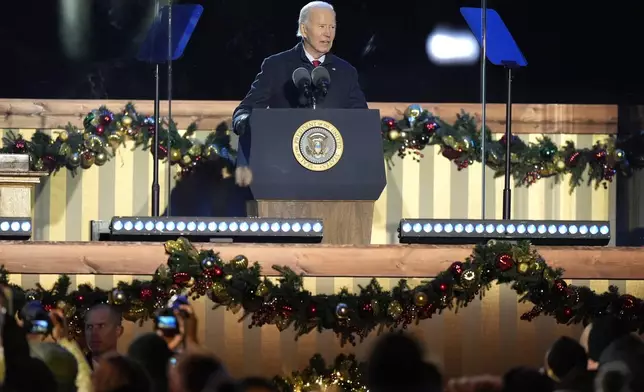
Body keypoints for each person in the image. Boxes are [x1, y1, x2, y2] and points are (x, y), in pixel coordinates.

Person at [232, 1, 368, 136]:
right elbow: (246, 109)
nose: (328, 33)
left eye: (332, 27)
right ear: (304, 29)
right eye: (322, 26)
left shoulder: (346, 71)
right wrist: (243, 120)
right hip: (284, 151)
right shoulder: (276, 66)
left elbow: (362, 118)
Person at [84, 304, 124, 369]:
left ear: (118, 331)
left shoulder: (130, 372)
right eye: (89, 327)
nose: (94, 333)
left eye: (101, 326)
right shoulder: (74, 369)